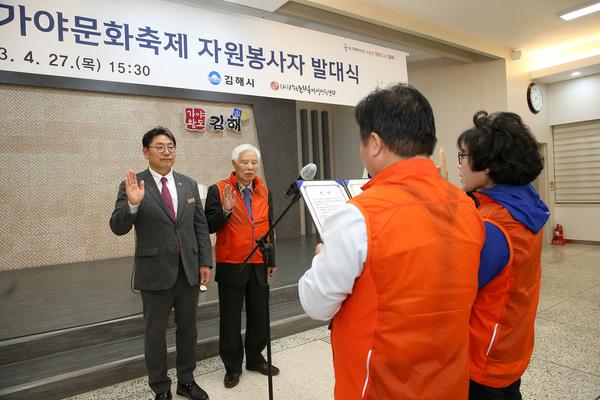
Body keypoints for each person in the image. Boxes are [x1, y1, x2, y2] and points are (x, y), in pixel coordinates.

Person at [298, 83, 486, 399]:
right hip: (448, 383)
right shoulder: (467, 205)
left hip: (379, 387)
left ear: (374, 143)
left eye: (362, 142)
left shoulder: (359, 216)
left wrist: (322, 257)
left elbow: (316, 304)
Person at [110, 127, 212, 400]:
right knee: (155, 333)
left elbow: (199, 226)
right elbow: (117, 227)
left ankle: (186, 381)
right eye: (160, 147)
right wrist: (132, 206)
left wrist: (205, 262)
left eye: (171, 147)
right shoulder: (133, 184)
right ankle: (161, 387)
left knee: (188, 328)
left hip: (188, 269)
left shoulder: (188, 183)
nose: (167, 152)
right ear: (146, 152)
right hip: (155, 271)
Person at [457, 111, 549, 400]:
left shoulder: (492, 229)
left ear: (487, 167)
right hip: (510, 346)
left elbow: (453, 289)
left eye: (464, 156)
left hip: (481, 360)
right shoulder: (526, 207)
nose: (460, 166)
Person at [204, 144, 279, 389]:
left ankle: (255, 359)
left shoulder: (265, 192)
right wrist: (225, 210)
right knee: (231, 319)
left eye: (253, 163)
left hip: (259, 262)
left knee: (259, 315)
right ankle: (232, 367)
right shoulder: (218, 189)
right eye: (244, 162)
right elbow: (208, 225)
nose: (250, 167)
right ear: (234, 165)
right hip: (231, 263)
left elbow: (269, 227)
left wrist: (272, 260)